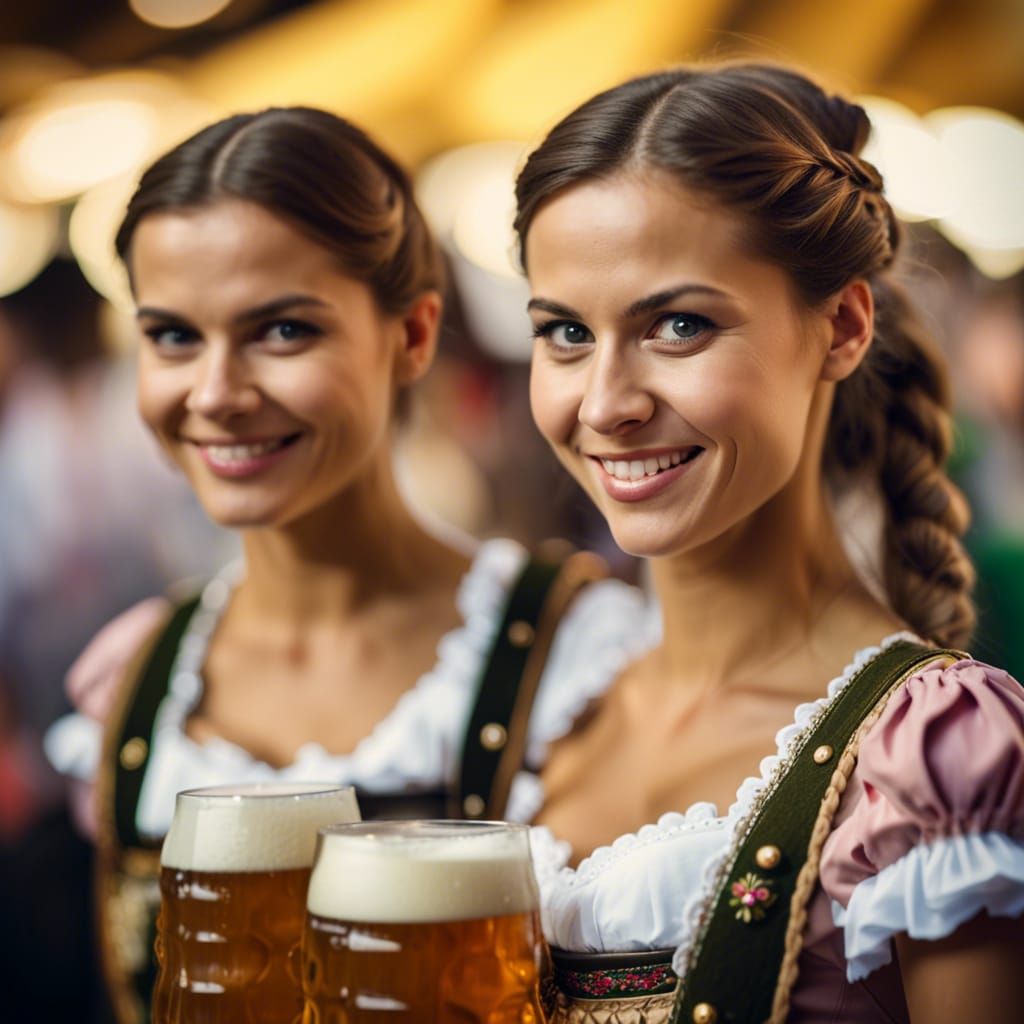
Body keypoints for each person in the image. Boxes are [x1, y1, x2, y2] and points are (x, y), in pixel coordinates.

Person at [44, 106, 648, 1023]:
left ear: (412, 336)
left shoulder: (584, 658)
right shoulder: (138, 681)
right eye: (171, 336)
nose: (215, 394)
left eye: (282, 331)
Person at [514, 63, 1024, 1022]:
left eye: (678, 324)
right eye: (567, 333)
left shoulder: (935, 753)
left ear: (840, 327)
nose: (607, 404)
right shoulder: (546, 704)